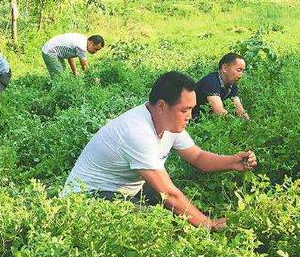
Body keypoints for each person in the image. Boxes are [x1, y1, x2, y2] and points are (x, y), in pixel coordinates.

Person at [62, 71, 257, 231]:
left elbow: (198, 157)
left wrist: (232, 161)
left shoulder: (168, 123)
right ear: (162, 106)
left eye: (192, 109)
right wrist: (209, 225)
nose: (189, 116)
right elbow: (169, 195)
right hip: (88, 196)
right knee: (156, 224)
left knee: (179, 207)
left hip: (126, 190)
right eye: (184, 110)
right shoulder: (137, 131)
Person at [192, 53, 249, 121]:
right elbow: (219, 112)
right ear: (225, 68)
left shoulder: (231, 83)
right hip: (192, 119)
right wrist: (239, 124)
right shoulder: (211, 81)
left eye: (243, 71)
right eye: (238, 70)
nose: (241, 75)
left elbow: (239, 109)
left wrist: (249, 122)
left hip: (207, 120)